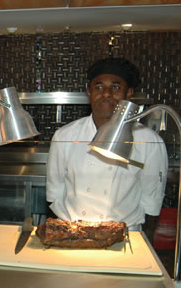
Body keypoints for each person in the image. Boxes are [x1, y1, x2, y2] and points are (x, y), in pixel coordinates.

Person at [46, 57, 168, 231]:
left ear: (129, 93)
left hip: (124, 235)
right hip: (73, 232)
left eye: (116, 87)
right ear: (89, 92)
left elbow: (151, 202)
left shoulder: (149, 141)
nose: (106, 94)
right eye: (99, 87)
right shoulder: (65, 135)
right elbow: (55, 192)